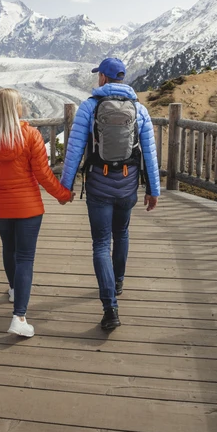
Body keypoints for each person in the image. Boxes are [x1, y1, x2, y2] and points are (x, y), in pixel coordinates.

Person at [60, 57, 161, 331]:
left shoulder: (89, 108)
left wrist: (65, 187)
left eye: (98, 76)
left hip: (98, 184)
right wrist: (153, 190)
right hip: (128, 184)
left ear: (103, 78)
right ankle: (117, 282)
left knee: (101, 244)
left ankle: (110, 308)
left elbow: (74, 151)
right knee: (122, 234)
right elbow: (149, 154)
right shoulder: (139, 110)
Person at [0, 88, 73, 337]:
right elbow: (43, 174)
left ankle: (14, 289)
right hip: (28, 208)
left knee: (9, 249)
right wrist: (63, 195)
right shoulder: (30, 135)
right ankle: (19, 316)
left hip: (1, 209)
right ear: (16, 107)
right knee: (25, 258)